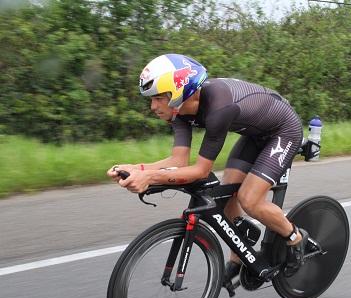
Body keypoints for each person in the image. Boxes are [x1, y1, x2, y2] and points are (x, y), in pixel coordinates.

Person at [107, 53, 308, 280]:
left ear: (177, 92)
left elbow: (200, 171)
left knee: (249, 199)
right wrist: (137, 169)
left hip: (283, 131)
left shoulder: (218, 109)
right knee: (226, 195)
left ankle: (296, 239)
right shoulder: (179, 111)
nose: (152, 106)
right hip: (254, 134)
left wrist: (151, 178)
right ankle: (239, 259)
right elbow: (178, 162)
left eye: (157, 98)